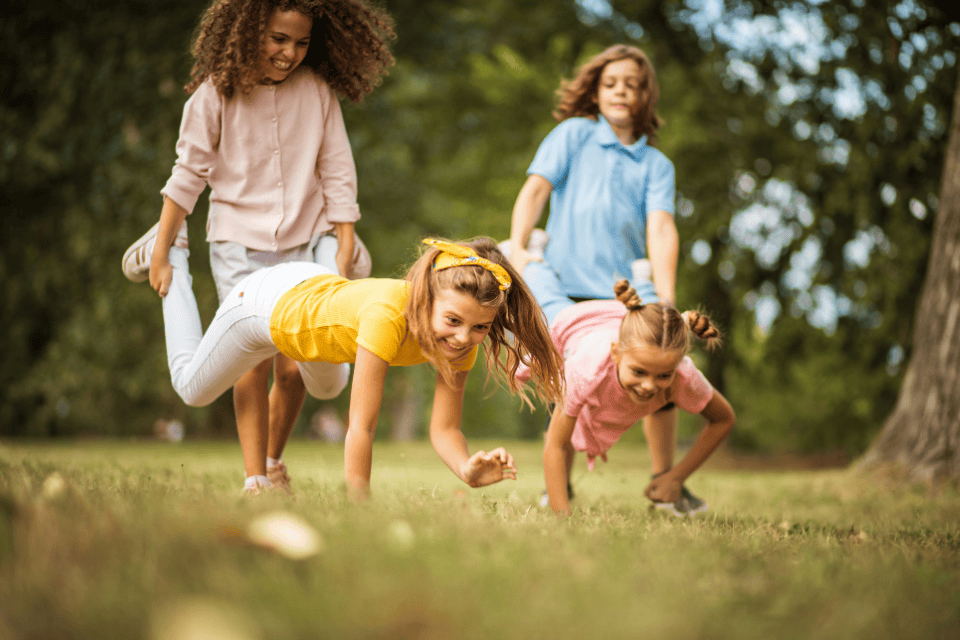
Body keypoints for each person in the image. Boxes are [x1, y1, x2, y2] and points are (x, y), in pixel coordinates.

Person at [121, 0, 395, 494]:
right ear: (248, 32)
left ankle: (273, 458)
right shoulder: (215, 94)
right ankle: (256, 478)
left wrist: (345, 244)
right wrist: (162, 252)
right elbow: (188, 175)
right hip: (237, 246)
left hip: (309, 239)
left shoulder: (317, 92)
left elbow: (337, 168)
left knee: (300, 363)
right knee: (250, 359)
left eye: (301, 42)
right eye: (278, 39)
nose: (290, 53)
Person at [123, 229, 565, 496]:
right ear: (426, 297)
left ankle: (325, 254)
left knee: (328, 386)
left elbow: (445, 428)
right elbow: (361, 428)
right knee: (190, 387)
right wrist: (359, 504)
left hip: (313, 289)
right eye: (452, 321)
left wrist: (466, 468)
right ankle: (174, 258)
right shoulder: (388, 315)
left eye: (480, 328)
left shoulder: (461, 337)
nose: (463, 338)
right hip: (262, 305)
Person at [505, 44, 683, 499]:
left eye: (632, 84)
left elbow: (661, 227)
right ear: (596, 91)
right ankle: (556, 486)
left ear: (646, 96)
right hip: (563, 290)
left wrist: (665, 298)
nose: (620, 91)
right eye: (610, 83)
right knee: (565, 389)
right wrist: (520, 249)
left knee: (661, 381)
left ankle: (667, 485)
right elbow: (535, 190)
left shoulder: (656, 165)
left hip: (625, 301)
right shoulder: (573, 135)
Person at [537, 280, 735, 516]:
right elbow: (555, 446)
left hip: (616, 323)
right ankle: (527, 256)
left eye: (664, 375)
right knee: (539, 287)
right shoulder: (585, 371)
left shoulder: (684, 374)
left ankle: (642, 276)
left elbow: (723, 419)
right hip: (569, 323)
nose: (649, 385)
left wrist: (676, 477)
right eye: (639, 372)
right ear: (616, 354)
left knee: (650, 295)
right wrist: (562, 518)